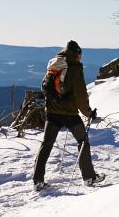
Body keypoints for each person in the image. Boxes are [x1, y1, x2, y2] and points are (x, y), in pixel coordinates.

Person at [33, 41, 104, 191]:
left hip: (51, 111)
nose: (80, 57)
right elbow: (80, 95)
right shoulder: (75, 68)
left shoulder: (56, 63)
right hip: (69, 113)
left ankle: (37, 180)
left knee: (46, 144)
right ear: (76, 53)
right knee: (82, 140)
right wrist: (89, 113)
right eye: (80, 54)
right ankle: (89, 177)